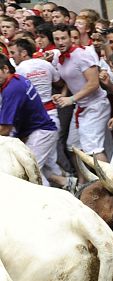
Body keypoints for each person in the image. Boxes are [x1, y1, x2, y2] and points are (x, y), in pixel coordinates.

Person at [10, 37, 68, 187]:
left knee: (32, 167)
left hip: (39, 122)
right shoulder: (45, 64)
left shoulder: (19, 71)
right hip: (51, 116)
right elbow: (59, 81)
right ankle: (69, 185)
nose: (12, 56)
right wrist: (61, 93)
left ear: (23, 53)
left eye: (13, 52)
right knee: (49, 164)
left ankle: (60, 191)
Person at [51, 23, 110, 162]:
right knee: (74, 146)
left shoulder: (82, 55)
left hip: (96, 106)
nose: (60, 42)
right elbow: (70, 80)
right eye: (57, 39)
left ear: (71, 38)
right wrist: (63, 95)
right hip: (81, 107)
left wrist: (71, 99)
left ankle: (111, 182)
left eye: (63, 38)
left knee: (93, 148)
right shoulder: (59, 57)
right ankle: (84, 182)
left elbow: (94, 83)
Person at [0, 53, 59, 184]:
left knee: (29, 173)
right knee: (43, 170)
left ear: (5, 69)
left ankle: (47, 201)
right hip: (38, 131)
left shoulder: (12, 89)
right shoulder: (17, 79)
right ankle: (68, 183)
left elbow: (5, 129)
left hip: (40, 132)